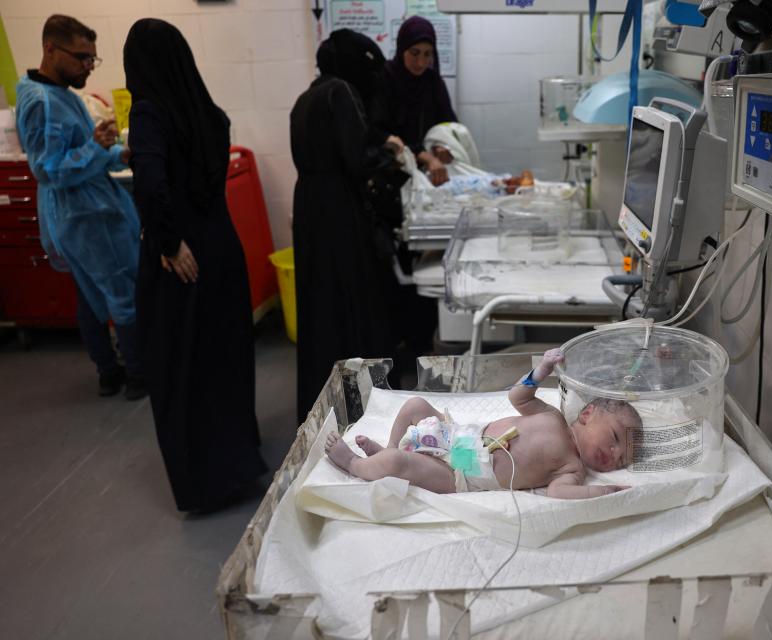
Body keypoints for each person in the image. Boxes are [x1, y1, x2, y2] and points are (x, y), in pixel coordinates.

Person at [123, 18, 267, 513]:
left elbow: (150, 184)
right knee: (224, 357)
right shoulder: (210, 113)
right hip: (222, 247)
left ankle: (204, 480)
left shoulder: (148, 114)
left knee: (180, 365)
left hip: (181, 259)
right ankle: (239, 463)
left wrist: (167, 241)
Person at [15, 14, 145, 399]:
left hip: (82, 212)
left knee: (92, 296)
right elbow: (48, 169)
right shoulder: (41, 102)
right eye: (82, 57)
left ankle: (109, 372)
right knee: (121, 294)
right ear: (50, 49)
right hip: (87, 216)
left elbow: (73, 153)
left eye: (93, 59)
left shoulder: (60, 95)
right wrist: (97, 147)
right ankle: (139, 376)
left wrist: (115, 151)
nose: (88, 66)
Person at [325, 349, 641, 497]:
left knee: (398, 463)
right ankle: (388, 450)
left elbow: (560, 494)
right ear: (586, 415)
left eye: (622, 459)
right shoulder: (552, 417)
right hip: (457, 438)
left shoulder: (573, 469)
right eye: (615, 438)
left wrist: (604, 492)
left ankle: (354, 464)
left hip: (461, 473)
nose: (614, 455)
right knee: (415, 405)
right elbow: (518, 397)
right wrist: (542, 369)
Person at [290, 29, 404, 424]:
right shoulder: (340, 92)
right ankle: (361, 403)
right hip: (338, 208)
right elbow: (357, 158)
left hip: (309, 206)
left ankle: (324, 398)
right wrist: (388, 151)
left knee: (321, 305)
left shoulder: (306, 97)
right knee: (352, 300)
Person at [373, 16, 458, 187]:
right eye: (414, 53)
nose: (421, 63)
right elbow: (378, 130)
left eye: (428, 54)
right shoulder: (385, 78)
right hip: (392, 176)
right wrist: (424, 155)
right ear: (402, 48)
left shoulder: (433, 82)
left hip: (429, 176)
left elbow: (448, 124)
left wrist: (443, 146)